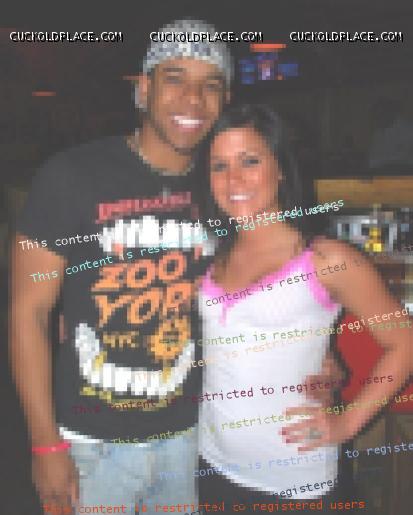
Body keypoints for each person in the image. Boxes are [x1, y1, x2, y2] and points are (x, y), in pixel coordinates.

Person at [11, 18, 231, 514]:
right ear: (144, 89)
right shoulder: (69, 177)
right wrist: (44, 443)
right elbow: (30, 313)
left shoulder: (224, 187)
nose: (193, 99)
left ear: (224, 100)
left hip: (189, 438)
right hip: (90, 444)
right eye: (175, 79)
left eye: (210, 85)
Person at [197, 104, 413, 511]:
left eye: (250, 161)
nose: (233, 179)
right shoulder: (212, 256)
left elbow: (404, 343)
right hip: (213, 467)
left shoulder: (325, 259)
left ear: (280, 168)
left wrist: (347, 423)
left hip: (296, 484)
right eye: (219, 166)